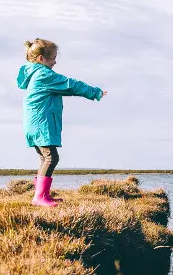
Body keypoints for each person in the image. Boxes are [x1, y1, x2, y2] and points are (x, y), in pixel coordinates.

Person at [17, 38, 107, 207]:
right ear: (41, 59)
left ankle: (43, 195)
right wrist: (94, 92)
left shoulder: (34, 74)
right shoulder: (44, 75)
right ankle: (39, 197)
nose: (54, 61)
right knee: (52, 157)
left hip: (34, 124)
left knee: (44, 158)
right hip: (42, 124)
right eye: (52, 58)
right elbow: (70, 85)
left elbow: (66, 89)